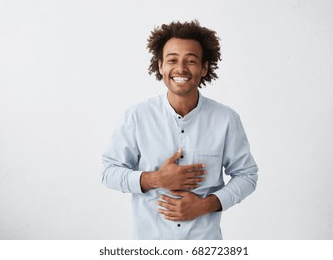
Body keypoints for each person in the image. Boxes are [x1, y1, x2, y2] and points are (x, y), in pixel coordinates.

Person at [101, 20, 258, 239]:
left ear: (204, 67)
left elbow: (247, 175)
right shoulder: (137, 116)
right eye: (172, 60)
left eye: (191, 61)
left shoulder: (226, 120)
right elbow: (108, 172)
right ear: (160, 66)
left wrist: (207, 205)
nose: (181, 68)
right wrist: (155, 179)